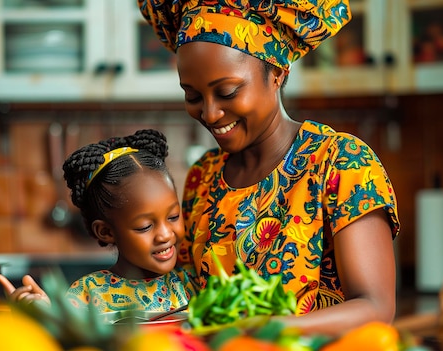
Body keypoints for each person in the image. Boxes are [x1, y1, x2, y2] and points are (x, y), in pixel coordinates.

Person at [138, 0, 400, 337]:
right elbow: (185, 295)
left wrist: (257, 331)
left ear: (277, 73)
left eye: (227, 92)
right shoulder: (201, 178)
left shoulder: (340, 162)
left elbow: (376, 308)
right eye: (192, 96)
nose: (211, 113)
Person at [0, 129, 197, 313]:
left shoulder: (189, 284)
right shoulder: (87, 294)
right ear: (106, 232)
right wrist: (45, 313)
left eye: (173, 217)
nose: (165, 234)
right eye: (145, 226)